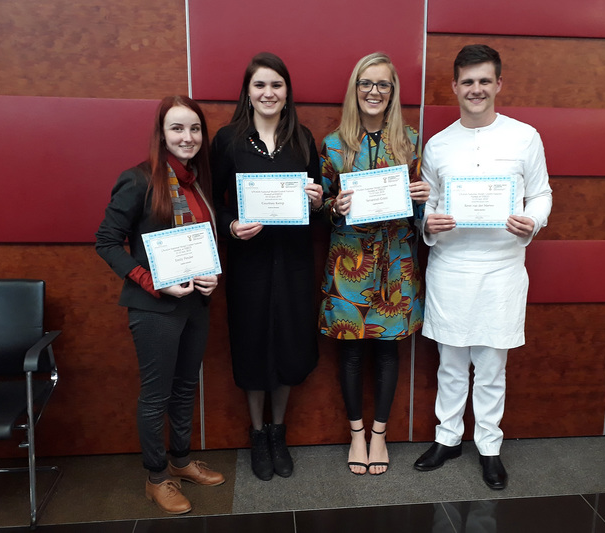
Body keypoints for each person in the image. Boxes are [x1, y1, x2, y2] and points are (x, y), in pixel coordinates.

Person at [413, 44, 552, 490]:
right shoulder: (438, 144)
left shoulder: (525, 137)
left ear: (498, 85)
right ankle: (448, 437)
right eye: (468, 81)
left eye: (484, 81)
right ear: (455, 87)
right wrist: (428, 224)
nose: (476, 89)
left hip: (502, 269)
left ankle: (489, 446)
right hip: (450, 266)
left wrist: (533, 220)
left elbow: (543, 194)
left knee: (492, 367)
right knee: (450, 363)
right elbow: (428, 203)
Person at [96, 95, 224, 514]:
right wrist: (152, 282)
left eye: (194, 129)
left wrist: (211, 274)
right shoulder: (138, 180)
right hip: (155, 309)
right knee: (156, 396)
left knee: (186, 389)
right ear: (161, 133)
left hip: (196, 305)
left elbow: (203, 241)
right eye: (177, 128)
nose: (187, 137)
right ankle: (156, 477)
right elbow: (107, 242)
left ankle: (182, 461)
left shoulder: (196, 181)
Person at [209, 52, 323, 481]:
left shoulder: (302, 139)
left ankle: (279, 431)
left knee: (290, 343)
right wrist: (231, 225)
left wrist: (316, 202)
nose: (268, 93)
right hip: (249, 264)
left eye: (276, 84)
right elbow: (209, 200)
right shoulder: (228, 140)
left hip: (293, 262)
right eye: (260, 85)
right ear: (248, 91)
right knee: (253, 342)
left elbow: (318, 206)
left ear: (287, 90)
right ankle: (257, 433)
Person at [318, 52, 429, 476]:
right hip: (349, 262)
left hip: (395, 262)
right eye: (366, 83)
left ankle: (379, 436)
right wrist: (336, 205)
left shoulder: (412, 142)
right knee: (348, 353)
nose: (374, 92)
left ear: (393, 92)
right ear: (355, 89)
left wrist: (422, 202)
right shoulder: (332, 144)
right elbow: (319, 207)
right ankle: (356, 434)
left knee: (386, 352)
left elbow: (425, 212)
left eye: (383, 84)